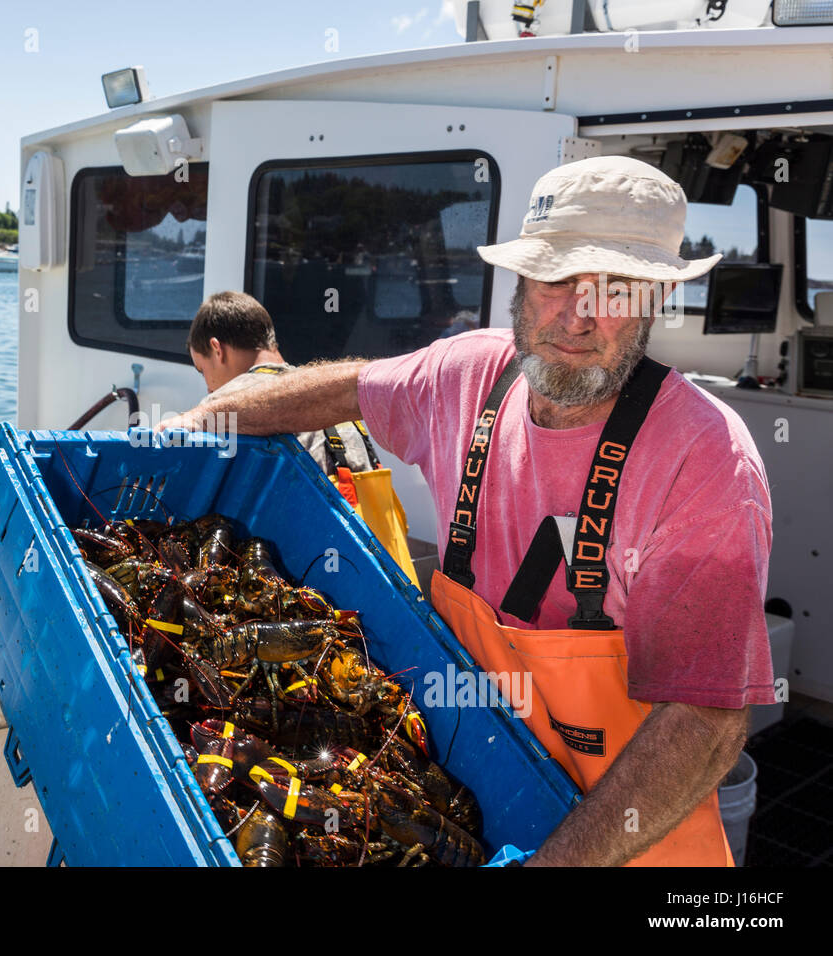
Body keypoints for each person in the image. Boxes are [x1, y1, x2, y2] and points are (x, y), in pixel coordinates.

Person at [162, 155, 774, 866]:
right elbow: (343, 390)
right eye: (557, 279)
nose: (579, 316)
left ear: (656, 298)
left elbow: (704, 720)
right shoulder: (469, 375)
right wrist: (204, 415)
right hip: (457, 789)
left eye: (615, 288)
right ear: (520, 281)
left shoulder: (705, 461)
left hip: (624, 844)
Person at [187, 291, 422, 586]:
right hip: (386, 578)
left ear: (217, 349)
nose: (209, 388)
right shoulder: (326, 393)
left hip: (313, 580)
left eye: (202, 370)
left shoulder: (225, 407)